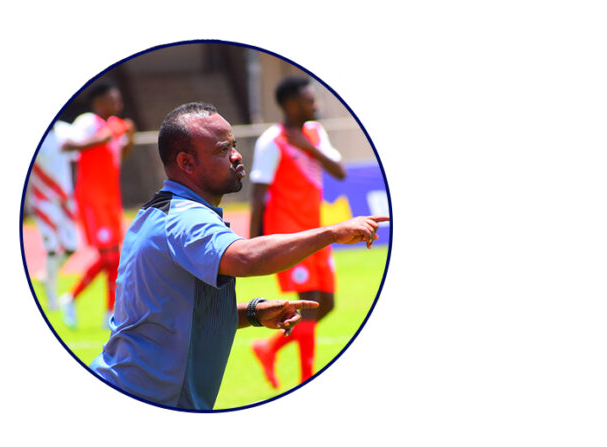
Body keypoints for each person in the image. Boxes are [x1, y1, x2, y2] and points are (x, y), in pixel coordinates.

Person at [89, 103, 387, 410]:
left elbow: (177, 314)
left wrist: (253, 313)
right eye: (222, 150)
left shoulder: (164, 209)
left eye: (234, 145)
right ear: (186, 163)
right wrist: (332, 233)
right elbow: (246, 258)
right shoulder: (184, 218)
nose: (236, 155)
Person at [248, 76, 347, 388]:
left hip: (318, 232)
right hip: (288, 234)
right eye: (309, 100)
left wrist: (306, 146)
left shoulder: (316, 133)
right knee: (311, 301)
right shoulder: (271, 141)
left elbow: (340, 172)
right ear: (291, 105)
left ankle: (268, 348)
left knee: (327, 303)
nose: (315, 105)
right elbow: (258, 194)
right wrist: (252, 242)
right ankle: (307, 380)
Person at [58, 81, 135, 329]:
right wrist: (104, 136)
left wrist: (130, 138)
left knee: (115, 258)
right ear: (100, 102)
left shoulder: (113, 125)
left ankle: (109, 314)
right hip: (92, 198)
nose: (119, 105)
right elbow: (68, 146)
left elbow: (119, 155)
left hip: (111, 198)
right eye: (114, 100)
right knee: (109, 256)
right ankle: (70, 297)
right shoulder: (88, 122)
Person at [28, 120, 79, 311]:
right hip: (43, 201)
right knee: (51, 248)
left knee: (71, 246)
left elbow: (75, 159)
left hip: (65, 199)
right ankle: (52, 301)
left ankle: (46, 277)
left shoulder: (65, 130)